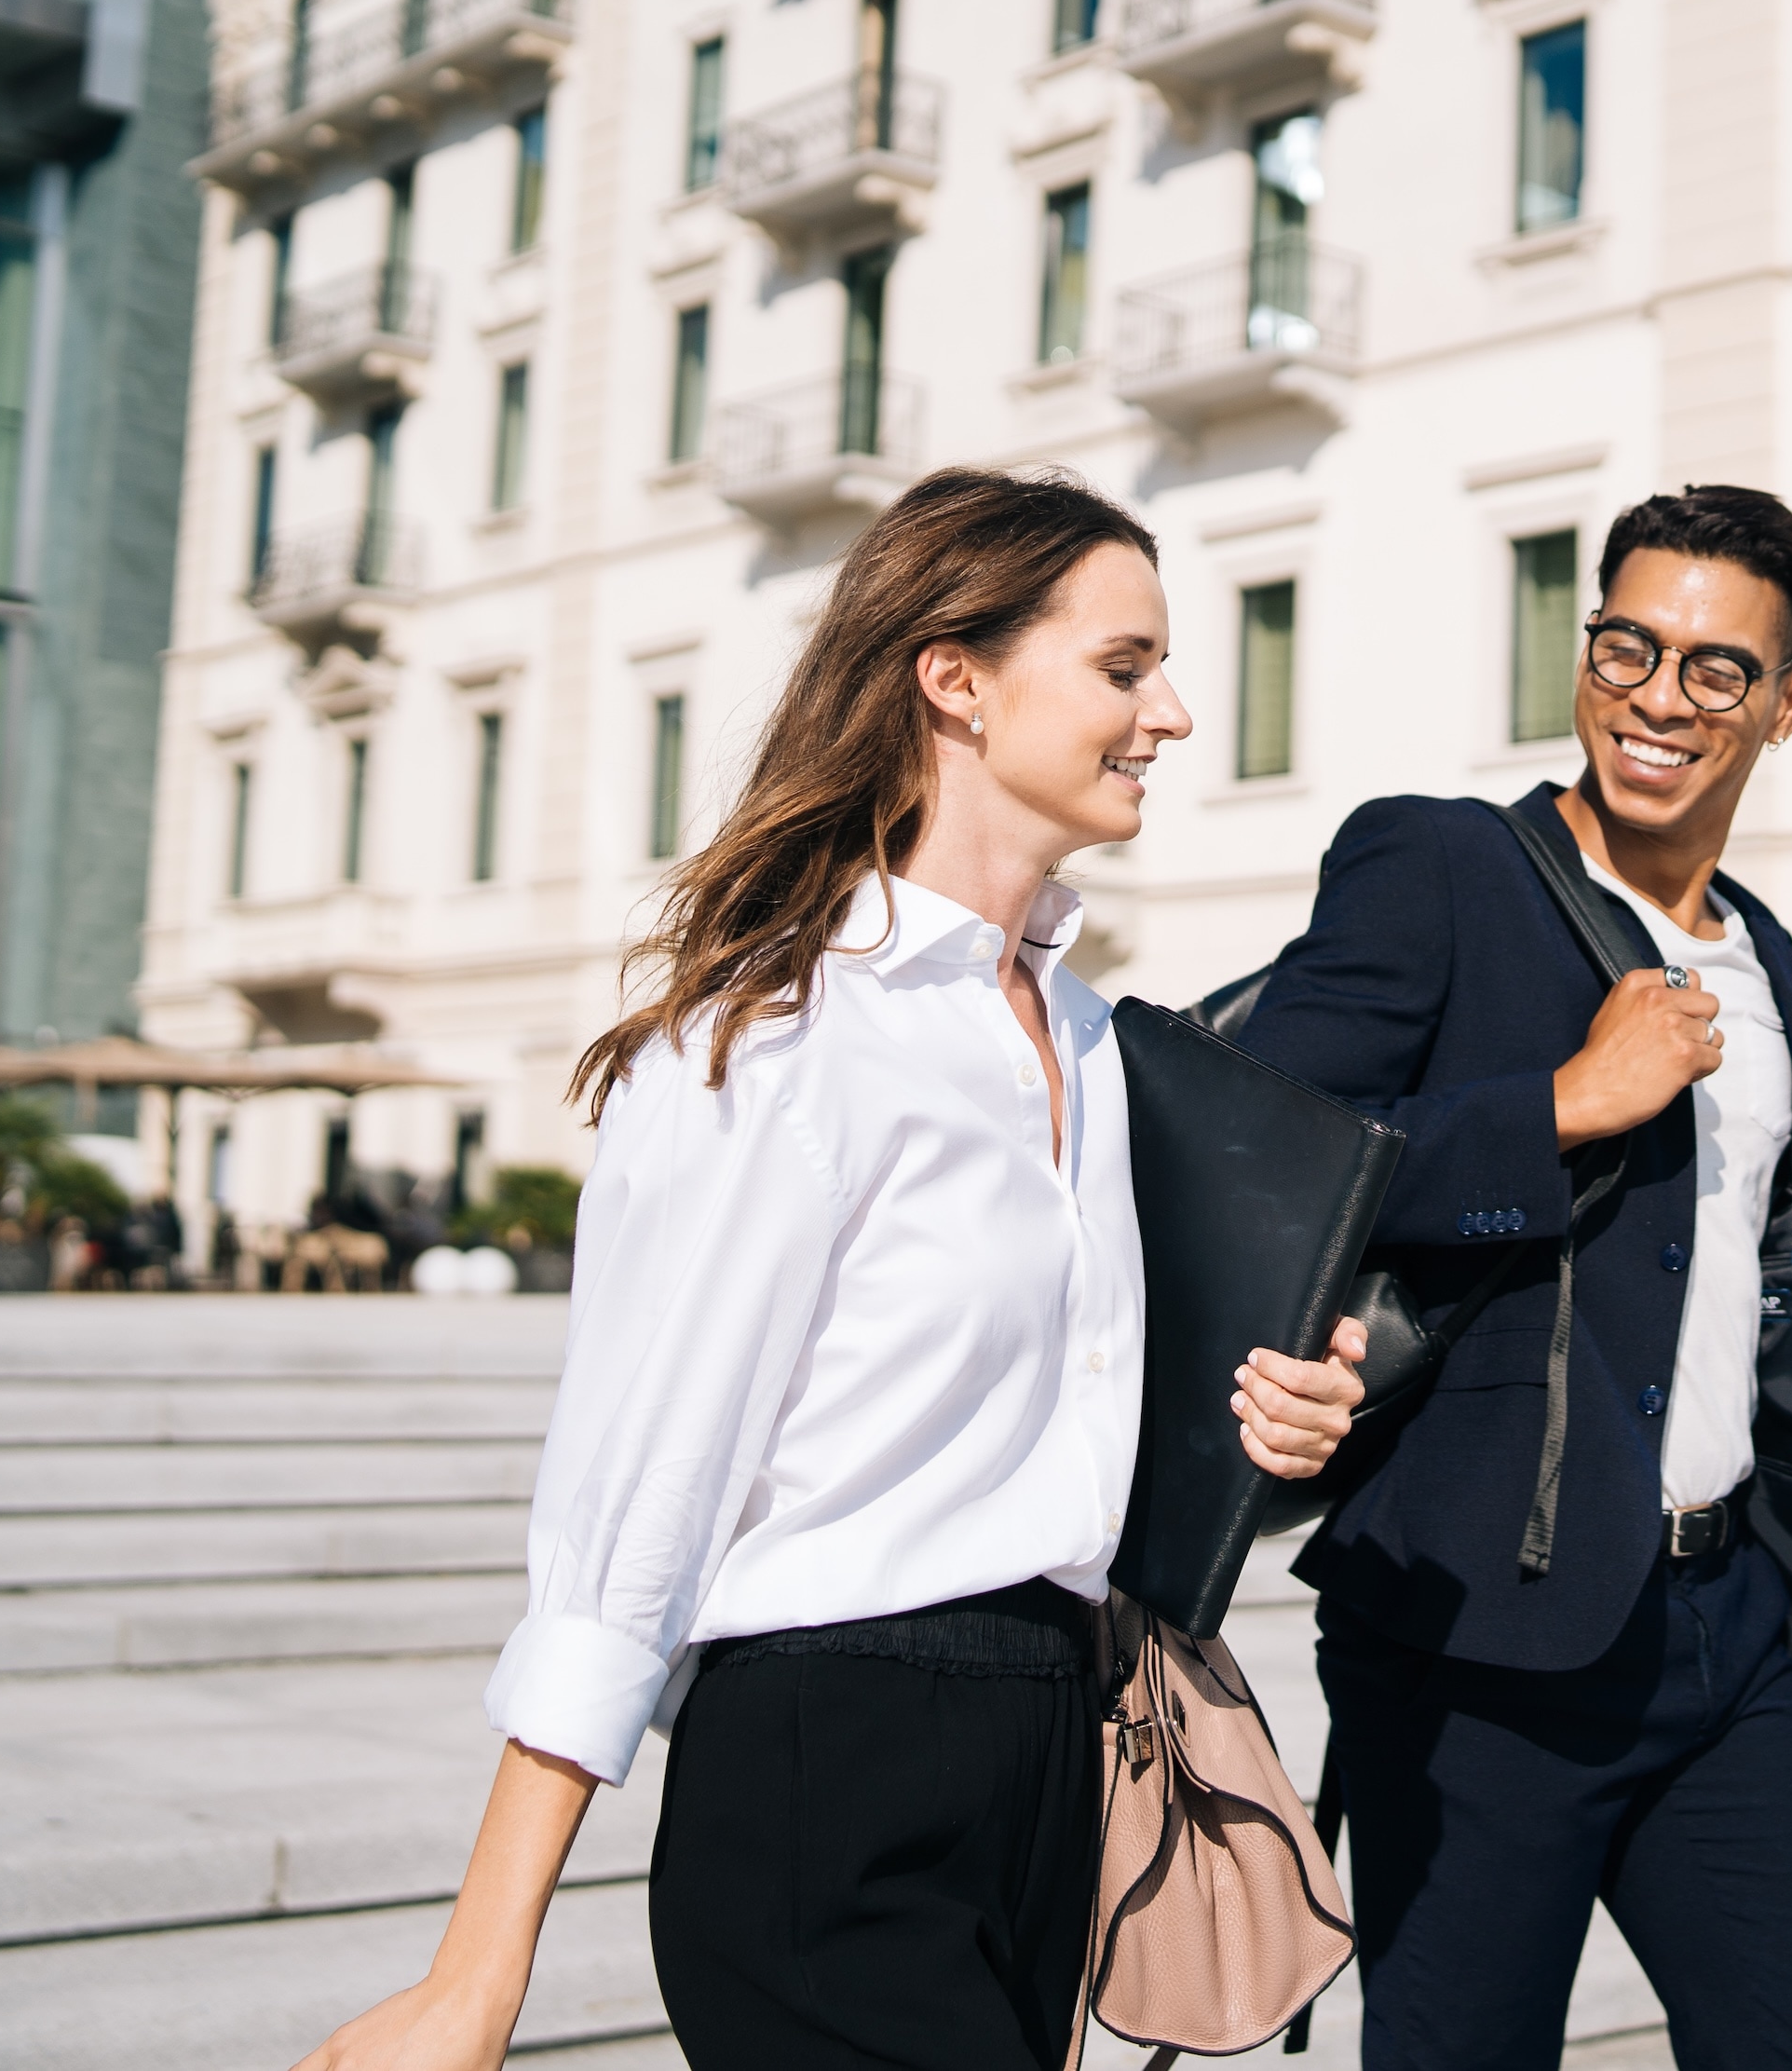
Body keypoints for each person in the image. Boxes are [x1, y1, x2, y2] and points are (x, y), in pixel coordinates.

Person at [290, 470, 1369, 2071]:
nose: (1177, 714)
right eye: (1126, 666)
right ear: (958, 677)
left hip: (1052, 1743)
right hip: (830, 1761)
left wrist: (1272, 1418)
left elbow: (1041, 1415)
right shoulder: (775, 1040)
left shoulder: (1090, 1037)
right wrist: (480, 1964)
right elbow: (639, 1489)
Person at [1238, 485, 1792, 2071]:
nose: (1661, 696)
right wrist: (1560, 1105)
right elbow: (1262, 1151)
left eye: (1719, 668)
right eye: (1629, 644)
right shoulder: (1444, 865)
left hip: (1729, 1631)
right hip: (1483, 1648)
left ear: (1787, 704)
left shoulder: (1768, 948)